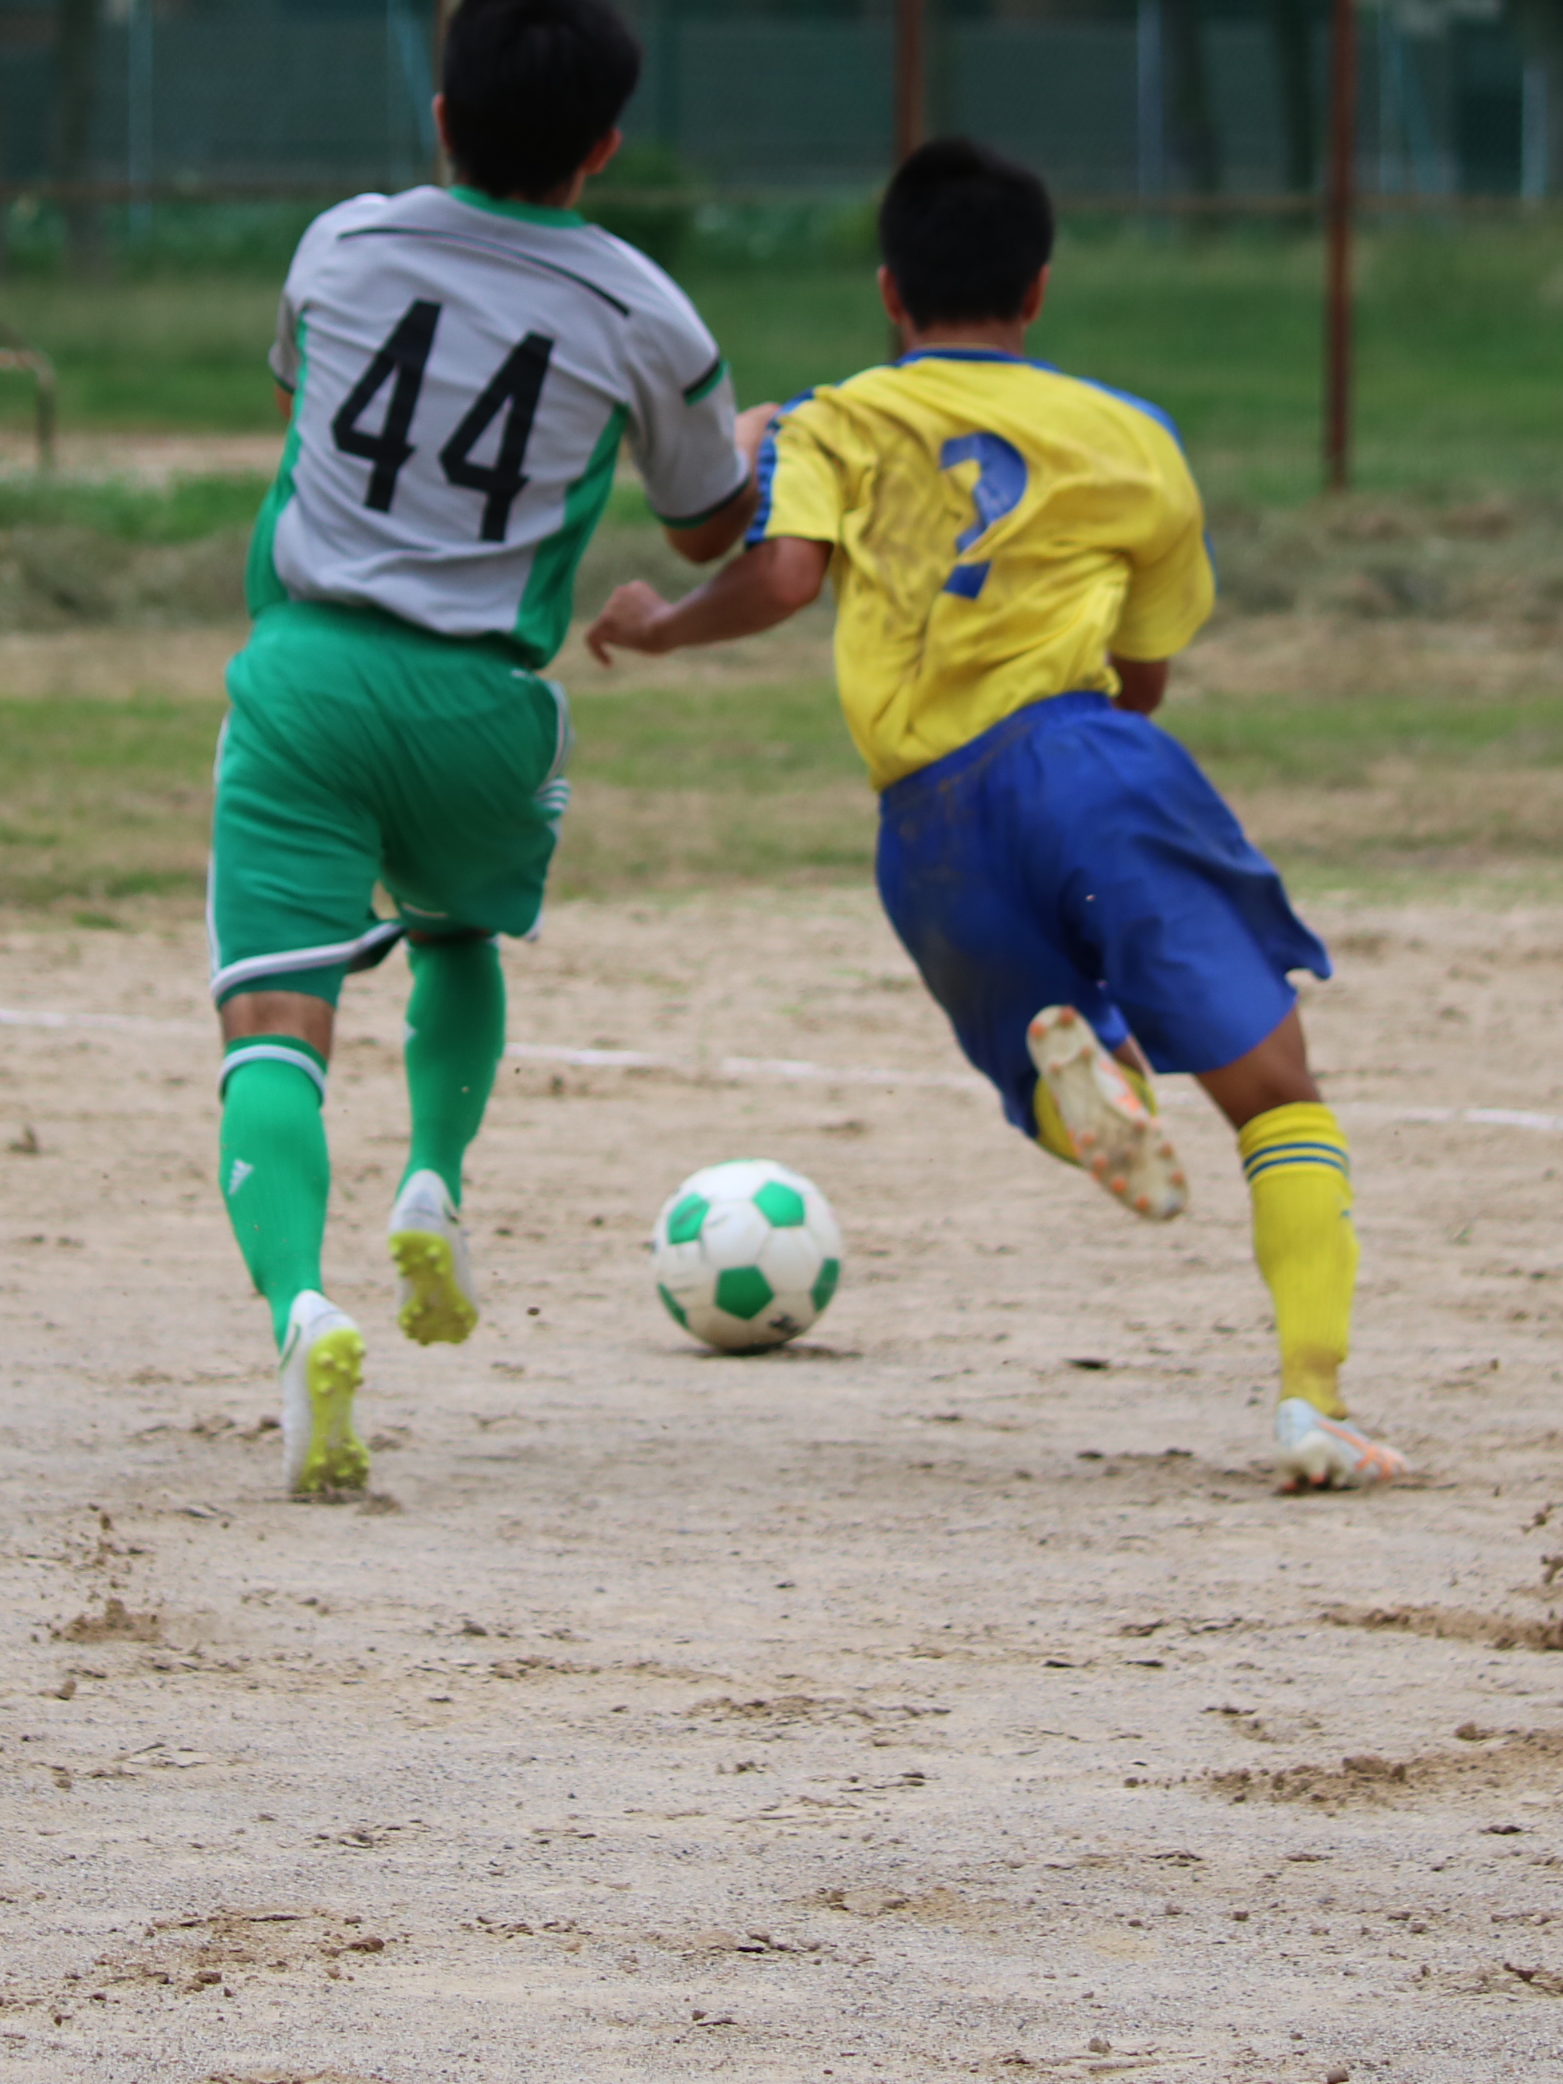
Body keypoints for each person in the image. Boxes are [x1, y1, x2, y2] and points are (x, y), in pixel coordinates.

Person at [584, 137, 1403, 1491]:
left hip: (927, 831)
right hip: (1092, 767)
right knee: (1275, 1098)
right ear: (1037, 290)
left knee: (1038, 1068)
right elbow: (1145, 679)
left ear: (890, 292)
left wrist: (662, 622)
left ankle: (1094, 1091)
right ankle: (1313, 1402)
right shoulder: (1132, 438)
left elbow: (781, 578)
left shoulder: (836, 419)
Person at [209, 0, 755, 1498]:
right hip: (485, 706)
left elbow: (305, 408)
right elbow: (709, 526)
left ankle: (303, 1310)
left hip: (307, 678)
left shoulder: (338, 245)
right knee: (456, 939)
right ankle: (433, 1186)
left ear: (441, 115)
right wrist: (750, 447)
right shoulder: (646, 309)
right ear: (607, 148)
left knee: (275, 1032)